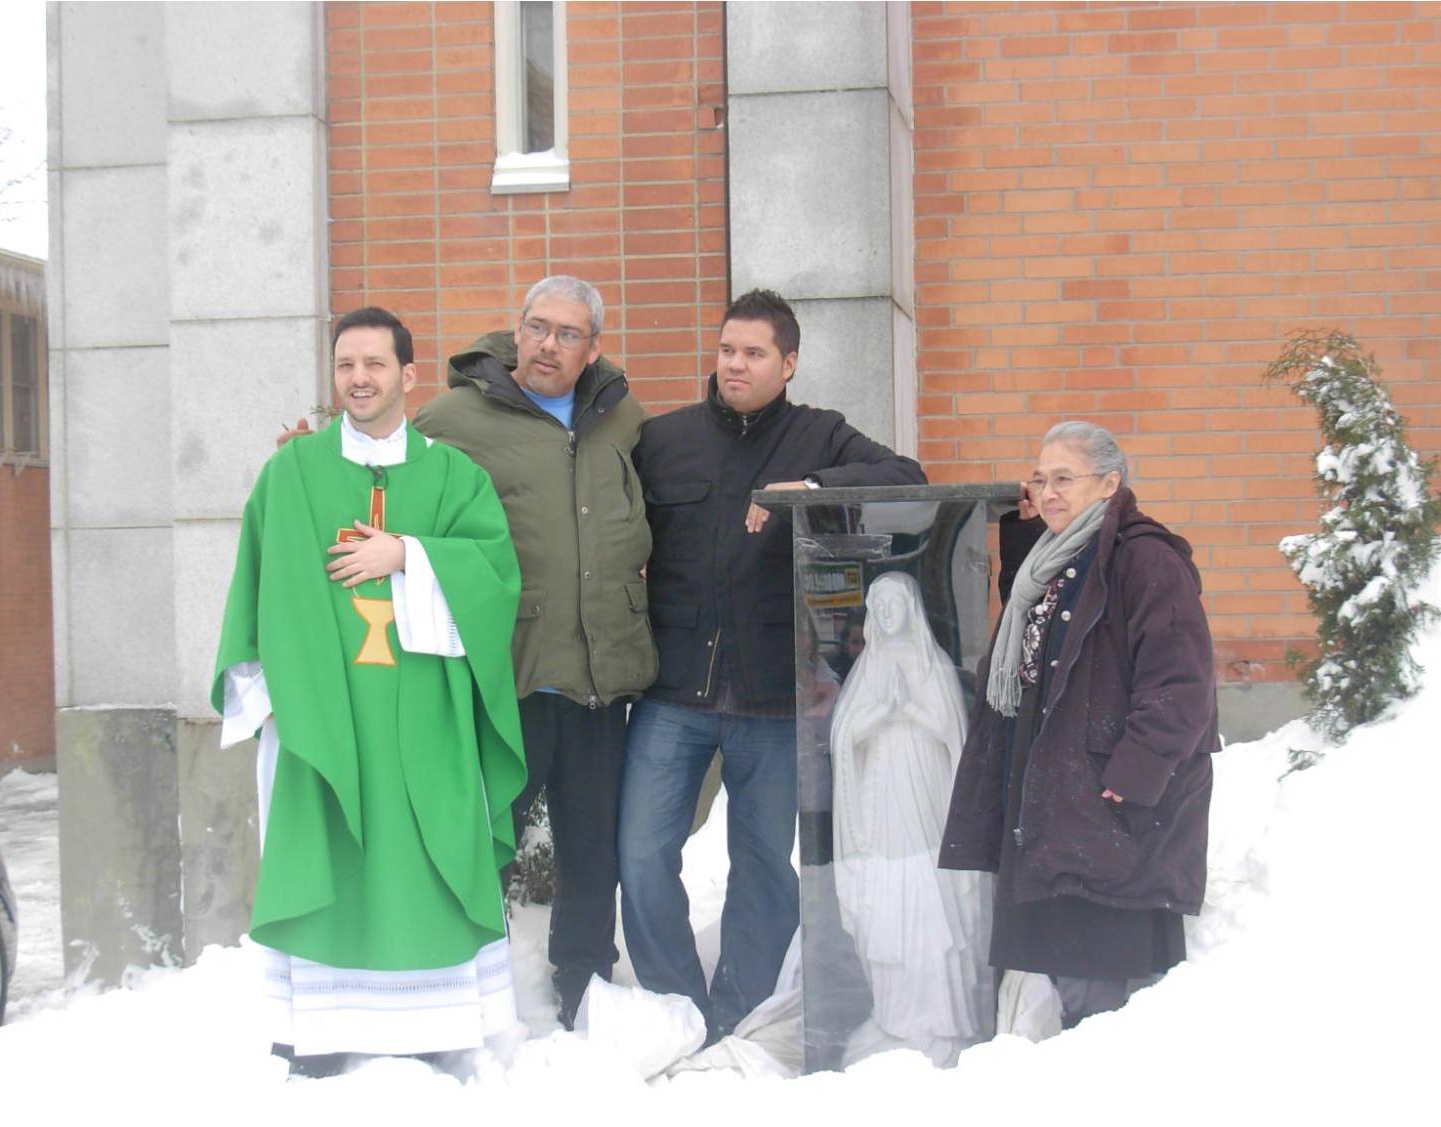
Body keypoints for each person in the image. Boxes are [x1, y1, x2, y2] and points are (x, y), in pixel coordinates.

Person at [213, 307, 526, 1075]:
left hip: (426, 713)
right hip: (328, 711)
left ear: (408, 376)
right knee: (328, 855)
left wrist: (409, 555)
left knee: (424, 855)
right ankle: (317, 1029)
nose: (359, 378)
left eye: (375, 364)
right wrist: (269, 696)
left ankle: (429, 1021)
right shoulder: (291, 474)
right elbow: (258, 585)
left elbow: (497, 582)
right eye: (346, 364)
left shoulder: (457, 477)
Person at [619, 288, 928, 1041]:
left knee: (762, 861)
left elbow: (907, 477)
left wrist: (814, 490)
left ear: (788, 363)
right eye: (727, 348)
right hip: (675, 689)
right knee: (641, 850)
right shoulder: (665, 440)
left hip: (772, 693)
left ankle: (742, 1009)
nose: (736, 363)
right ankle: (675, 1003)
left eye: (754, 352)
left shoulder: (820, 437)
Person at [414, 276, 656, 1029]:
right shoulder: (453, 417)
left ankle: (584, 980)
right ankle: (457, 983)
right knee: (488, 836)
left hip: (600, 675)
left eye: (568, 334)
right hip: (509, 674)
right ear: (517, 333)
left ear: (593, 348)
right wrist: (314, 457)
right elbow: (386, 480)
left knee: (594, 849)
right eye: (537, 327)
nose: (549, 344)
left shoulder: (623, 419)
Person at [938, 420, 1217, 1029]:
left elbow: (1181, 682)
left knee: (1103, 972)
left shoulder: (1145, 560)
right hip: (1059, 799)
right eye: (1040, 478)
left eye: (1064, 477)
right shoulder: (1056, 558)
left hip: (1108, 802)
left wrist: (1138, 772)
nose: (1048, 491)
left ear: (1109, 483)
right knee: (1068, 963)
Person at [828, 572, 993, 1065]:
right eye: (876, 604)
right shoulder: (867, 667)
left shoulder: (932, 664)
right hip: (881, 799)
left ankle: (942, 1021)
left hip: (925, 792)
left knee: (932, 898)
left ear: (911, 607)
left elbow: (952, 732)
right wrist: (880, 712)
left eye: (893, 602)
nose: (884, 612)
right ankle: (894, 1019)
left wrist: (911, 711)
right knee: (888, 901)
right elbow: (843, 737)